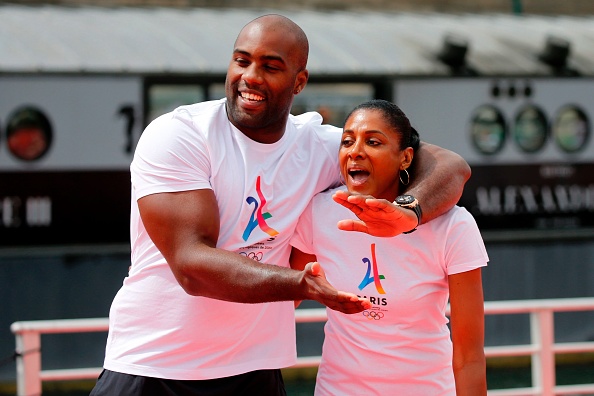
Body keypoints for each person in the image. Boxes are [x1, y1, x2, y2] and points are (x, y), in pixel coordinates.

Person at [90, 14, 472, 396]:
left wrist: (408, 211)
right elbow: (192, 265)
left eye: (271, 67)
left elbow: (450, 166)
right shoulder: (180, 135)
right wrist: (303, 284)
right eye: (242, 61)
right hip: (153, 367)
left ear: (299, 82)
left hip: (255, 370)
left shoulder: (320, 146)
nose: (251, 76)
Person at [290, 99, 488, 396]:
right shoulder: (320, 212)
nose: (356, 151)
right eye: (347, 141)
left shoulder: (453, 225)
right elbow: (283, 298)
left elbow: (469, 357)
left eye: (373, 142)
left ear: (406, 158)